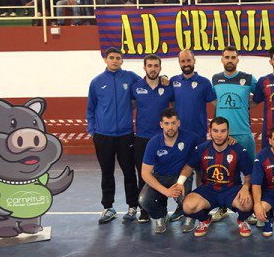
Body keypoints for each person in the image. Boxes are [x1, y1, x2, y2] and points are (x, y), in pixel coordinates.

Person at [86, 48, 141, 224]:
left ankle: (132, 206)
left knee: (129, 172)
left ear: (122, 60)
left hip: (125, 135)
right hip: (103, 136)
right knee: (107, 172)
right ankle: (108, 207)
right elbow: (90, 108)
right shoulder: (96, 82)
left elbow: (147, 84)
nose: (115, 60)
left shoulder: (130, 77)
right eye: (111, 58)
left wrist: (163, 79)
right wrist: (93, 131)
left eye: (118, 58)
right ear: (105, 60)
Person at [180, 117, 254, 238]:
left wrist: (245, 187)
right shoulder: (202, 149)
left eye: (223, 131)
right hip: (208, 190)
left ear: (228, 132)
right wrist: (179, 182)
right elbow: (188, 167)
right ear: (210, 131)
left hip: (232, 190)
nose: (219, 135)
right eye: (215, 130)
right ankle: (205, 219)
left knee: (248, 203)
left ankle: (242, 220)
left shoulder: (239, 150)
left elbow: (249, 175)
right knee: (187, 206)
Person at [169, 49, 216, 230]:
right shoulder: (173, 82)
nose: (186, 64)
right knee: (181, 174)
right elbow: (169, 102)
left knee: (201, 173)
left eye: (189, 60)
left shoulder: (204, 82)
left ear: (194, 61)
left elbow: (216, 104)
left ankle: (201, 205)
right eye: (183, 61)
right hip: (179, 137)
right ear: (179, 63)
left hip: (199, 137)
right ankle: (182, 207)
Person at [139, 108, 202, 234]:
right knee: (144, 200)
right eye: (167, 123)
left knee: (185, 200)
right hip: (160, 176)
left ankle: (190, 216)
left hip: (181, 177)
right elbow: (145, 173)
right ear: (161, 124)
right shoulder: (153, 143)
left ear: (178, 123)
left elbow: (209, 147)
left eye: (173, 123)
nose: (170, 127)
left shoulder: (191, 138)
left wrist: (227, 141)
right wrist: (166, 191)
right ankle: (161, 216)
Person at [129, 54, 175, 224]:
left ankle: (161, 210)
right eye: (150, 65)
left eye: (156, 66)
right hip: (142, 138)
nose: (153, 69)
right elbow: (131, 105)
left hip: (163, 139)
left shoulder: (168, 87)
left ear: (160, 68)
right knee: (143, 175)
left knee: (161, 175)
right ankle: (144, 211)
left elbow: (174, 108)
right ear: (144, 67)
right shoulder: (136, 87)